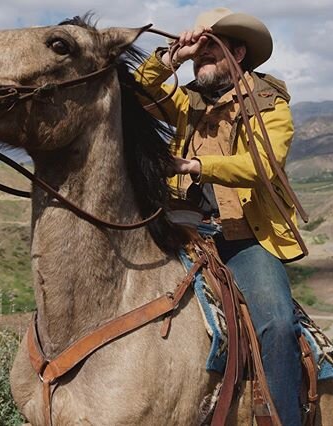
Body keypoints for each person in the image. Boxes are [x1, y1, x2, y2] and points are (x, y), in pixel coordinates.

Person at [135, 8, 304, 425]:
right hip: (181, 229)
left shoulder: (270, 103)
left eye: (211, 50)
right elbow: (138, 90)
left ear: (239, 54)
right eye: (198, 52)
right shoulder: (185, 99)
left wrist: (197, 167)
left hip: (244, 236)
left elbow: (263, 164)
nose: (200, 58)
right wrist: (171, 57)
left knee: (279, 325)